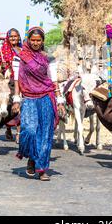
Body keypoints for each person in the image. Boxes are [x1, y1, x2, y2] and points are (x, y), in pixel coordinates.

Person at [12, 26, 65, 181]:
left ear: (42, 41)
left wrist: (60, 101)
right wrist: (16, 99)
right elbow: (17, 80)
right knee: (29, 130)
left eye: (38, 40)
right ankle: (31, 158)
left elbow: (53, 81)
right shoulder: (20, 57)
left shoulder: (48, 58)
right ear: (28, 40)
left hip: (46, 97)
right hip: (28, 98)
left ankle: (42, 169)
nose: (35, 43)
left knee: (45, 135)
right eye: (33, 40)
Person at [0, 28, 23, 142]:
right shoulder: (2, 51)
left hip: (21, 81)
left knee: (20, 106)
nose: (13, 38)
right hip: (7, 82)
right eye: (11, 36)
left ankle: (19, 132)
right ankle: (8, 129)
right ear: (7, 38)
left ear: (19, 37)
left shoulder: (23, 50)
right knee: (8, 106)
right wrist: (1, 66)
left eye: (15, 36)